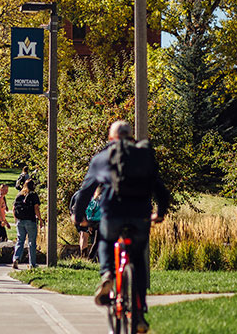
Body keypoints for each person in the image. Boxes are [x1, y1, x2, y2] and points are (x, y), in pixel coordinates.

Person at [75, 121, 170, 333]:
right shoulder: (143, 156)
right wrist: (160, 213)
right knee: (138, 259)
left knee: (106, 241)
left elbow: (85, 193)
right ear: (131, 136)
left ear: (111, 139)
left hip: (113, 214)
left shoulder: (101, 158)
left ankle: (108, 274)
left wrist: (78, 218)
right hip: (140, 216)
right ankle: (140, 315)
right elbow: (161, 190)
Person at [12, 179, 41, 269]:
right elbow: (36, 208)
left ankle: (16, 258)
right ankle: (32, 264)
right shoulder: (33, 195)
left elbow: (14, 208)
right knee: (31, 242)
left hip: (20, 220)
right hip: (30, 220)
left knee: (20, 240)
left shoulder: (19, 194)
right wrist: (40, 219)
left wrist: (16, 219)